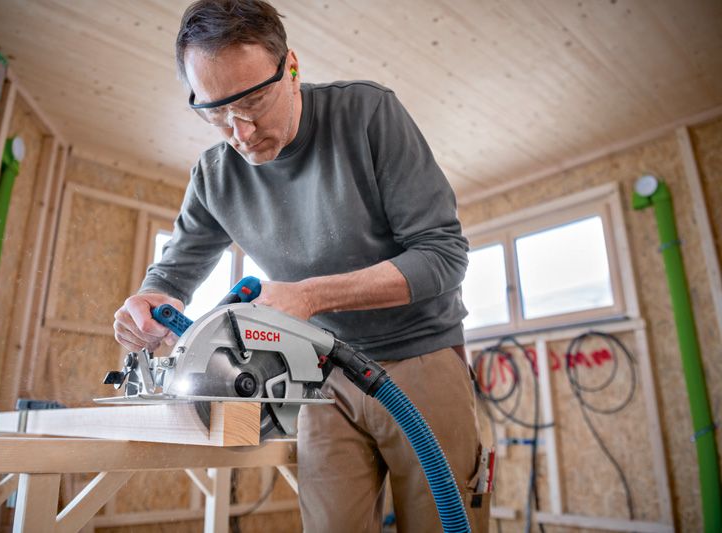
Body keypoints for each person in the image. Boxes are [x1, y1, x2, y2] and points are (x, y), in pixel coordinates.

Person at [113, 1, 487, 531]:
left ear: (291, 67)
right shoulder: (215, 175)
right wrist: (151, 302)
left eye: (254, 101)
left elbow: (443, 256)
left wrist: (309, 296)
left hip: (420, 360)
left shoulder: (367, 114)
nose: (240, 132)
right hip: (320, 380)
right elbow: (171, 276)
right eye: (215, 113)